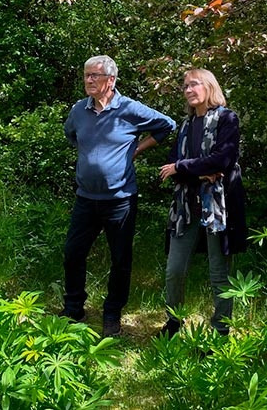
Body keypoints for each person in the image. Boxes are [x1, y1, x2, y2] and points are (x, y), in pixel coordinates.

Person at [61, 55, 176, 337]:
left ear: (110, 80)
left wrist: (136, 149)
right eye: (86, 75)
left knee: (120, 259)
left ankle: (112, 313)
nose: (88, 80)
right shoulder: (79, 110)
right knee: (73, 253)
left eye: (95, 76)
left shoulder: (128, 109)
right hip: (86, 198)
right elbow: (72, 135)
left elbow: (167, 126)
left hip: (120, 199)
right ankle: (74, 308)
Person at [157, 68, 247, 337]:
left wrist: (184, 167)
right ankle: (173, 322)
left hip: (218, 208)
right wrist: (196, 169)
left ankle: (221, 330)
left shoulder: (226, 119)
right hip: (185, 207)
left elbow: (223, 160)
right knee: (174, 270)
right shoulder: (185, 125)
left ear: (208, 86)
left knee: (219, 273)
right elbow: (169, 168)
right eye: (185, 86)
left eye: (193, 84)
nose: (187, 90)